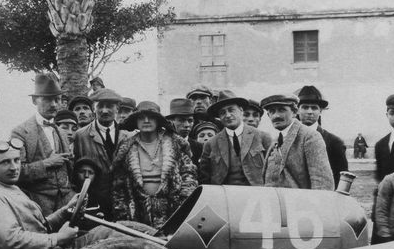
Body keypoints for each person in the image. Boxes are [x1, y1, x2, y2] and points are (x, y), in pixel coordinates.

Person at [0, 138, 121, 249]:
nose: (14, 167)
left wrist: (65, 211)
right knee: (120, 243)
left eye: (16, 160)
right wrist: (58, 238)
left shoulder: (7, 188)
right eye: (5, 162)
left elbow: (39, 227)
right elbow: (10, 240)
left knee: (123, 229)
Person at [112, 101, 198, 229]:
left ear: (158, 120)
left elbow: (188, 174)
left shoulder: (174, 143)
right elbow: (118, 185)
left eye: (151, 117)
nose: (146, 120)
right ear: (136, 121)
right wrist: (124, 214)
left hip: (172, 210)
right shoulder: (127, 148)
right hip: (138, 214)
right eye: (141, 117)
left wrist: (183, 205)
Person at [11, 74, 73, 216]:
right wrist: (46, 163)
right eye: (47, 99)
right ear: (34, 100)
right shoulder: (20, 132)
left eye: (57, 99)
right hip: (37, 205)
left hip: (66, 202)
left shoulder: (61, 132)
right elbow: (16, 172)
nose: (53, 104)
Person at [73, 88, 133, 219]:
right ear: (94, 108)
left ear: (117, 108)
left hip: (124, 204)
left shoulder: (128, 136)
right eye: (100, 106)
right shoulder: (81, 136)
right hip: (95, 204)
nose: (104, 111)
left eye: (109, 106)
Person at [262, 94, 334, 190]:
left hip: (299, 203)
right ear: (268, 115)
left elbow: (322, 183)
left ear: (294, 112)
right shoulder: (276, 140)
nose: (276, 115)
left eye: (281, 110)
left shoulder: (310, 136)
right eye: (272, 111)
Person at [198, 91, 270, 186]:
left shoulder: (262, 137)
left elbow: (273, 172)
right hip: (225, 197)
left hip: (256, 196)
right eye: (223, 113)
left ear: (241, 111)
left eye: (231, 110)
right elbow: (205, 179)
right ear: (219, 117)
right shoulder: (211, 144)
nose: (227, 115)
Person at [296, 85, 348, 187]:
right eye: (305, 107)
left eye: (314, 108)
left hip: (323, 198)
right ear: (297, 110)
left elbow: (342, 178)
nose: (310, 112)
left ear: (320, 111)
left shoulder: (334, 142)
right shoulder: (289, 139)